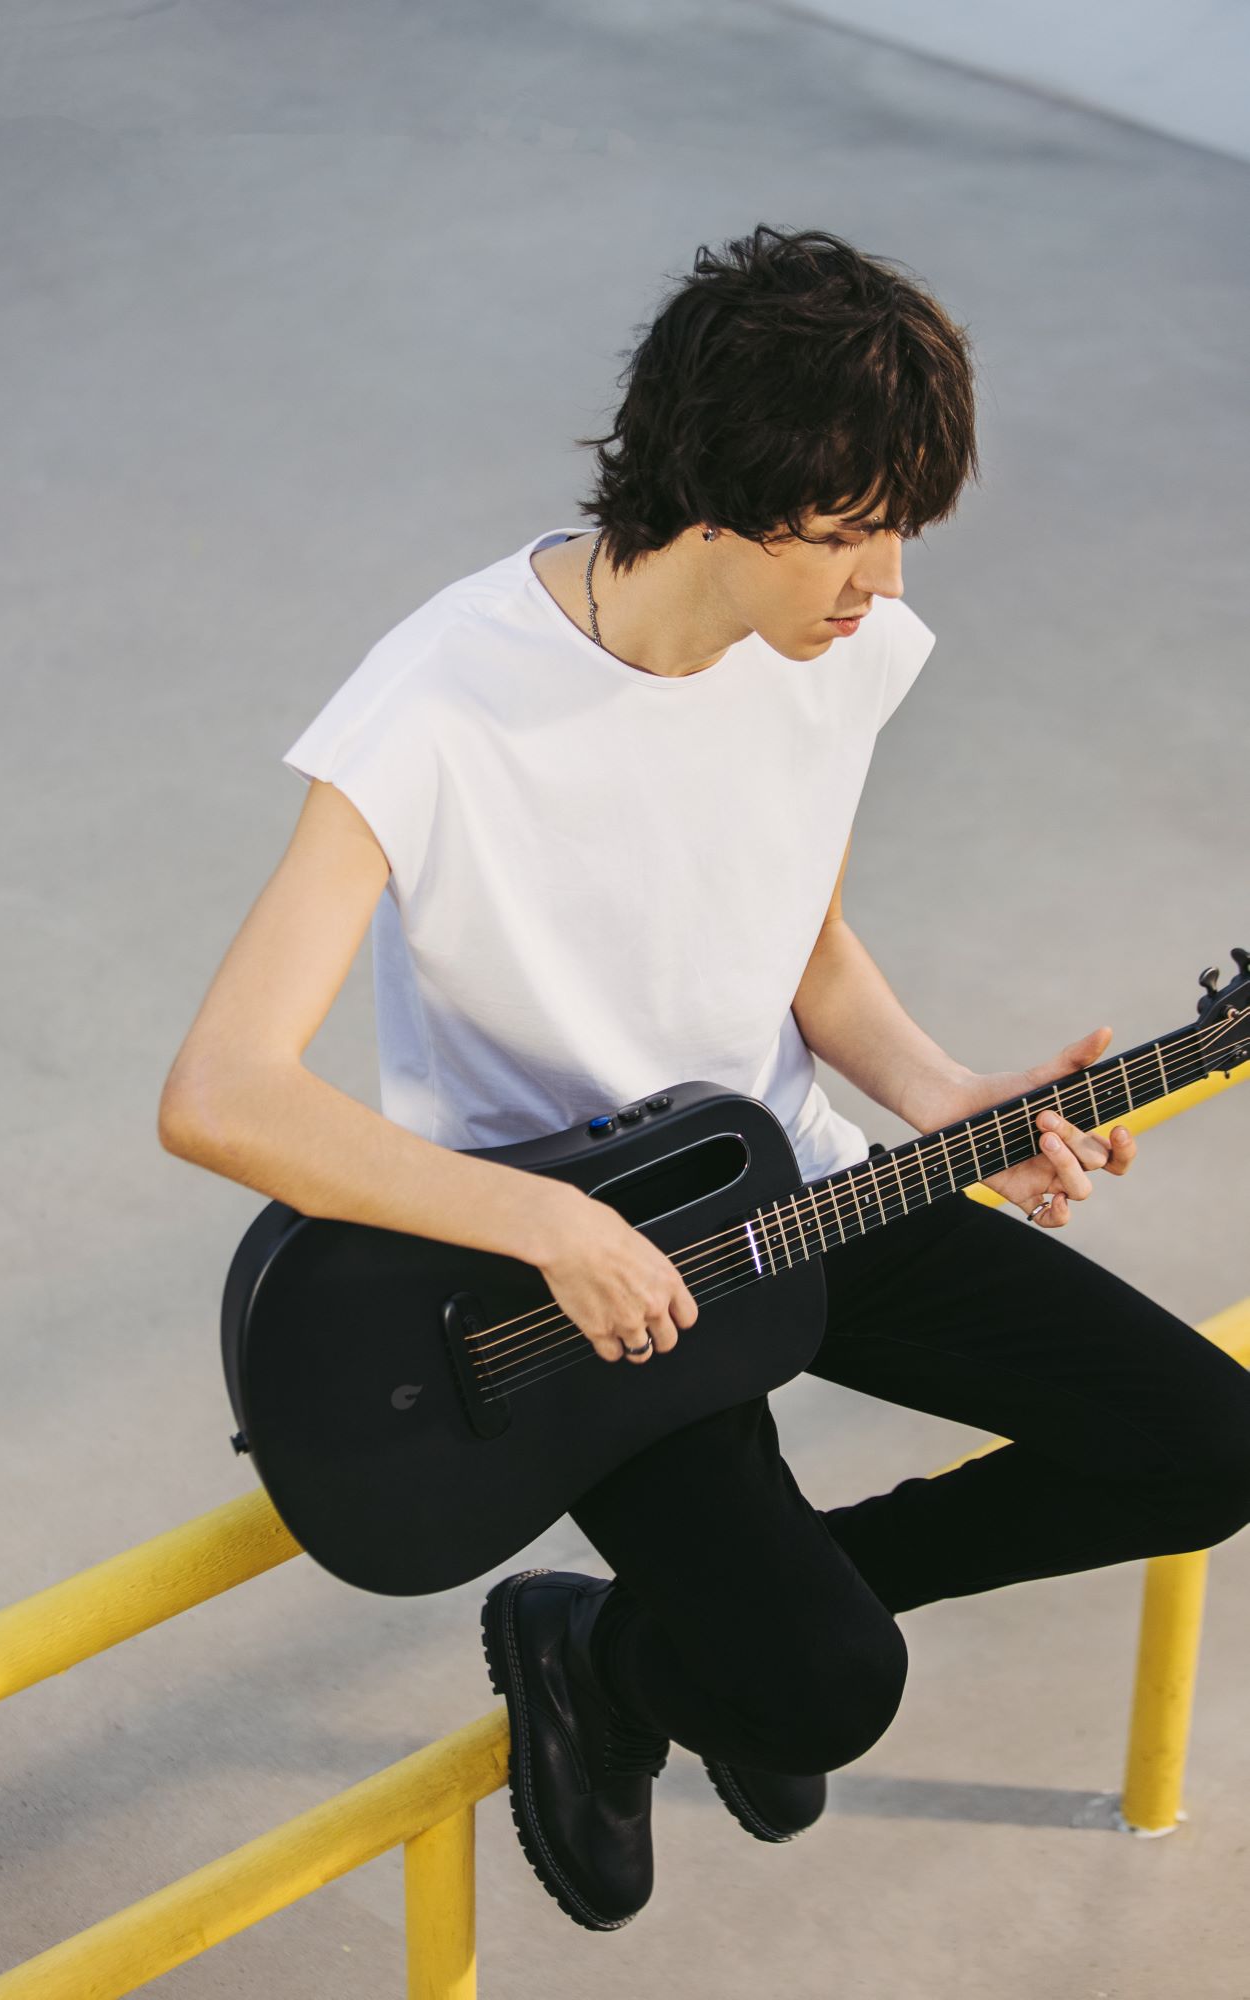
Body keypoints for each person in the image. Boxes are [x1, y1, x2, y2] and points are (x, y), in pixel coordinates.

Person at [158, 224, 1250, 1934]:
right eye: (848, 532)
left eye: (899, 529)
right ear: (719, 504)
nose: (884, 582)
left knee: (1204, 1446)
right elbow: (223, 1092)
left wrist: (939, 1093)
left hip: (783, 1182)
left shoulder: (838, 650)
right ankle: (662, 1649)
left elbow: (797, 939)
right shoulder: (438, 706)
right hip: (553, 1285)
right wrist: (551, 1230)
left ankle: (640, 1646)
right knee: (825, 1691)